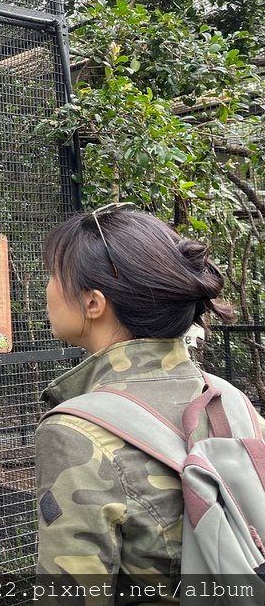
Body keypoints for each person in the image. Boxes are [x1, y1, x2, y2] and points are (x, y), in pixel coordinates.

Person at [34, 203, 262, 603]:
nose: (48, 288)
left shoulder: (76, 431)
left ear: (93, 303)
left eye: (53, 275)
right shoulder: (232, 402)